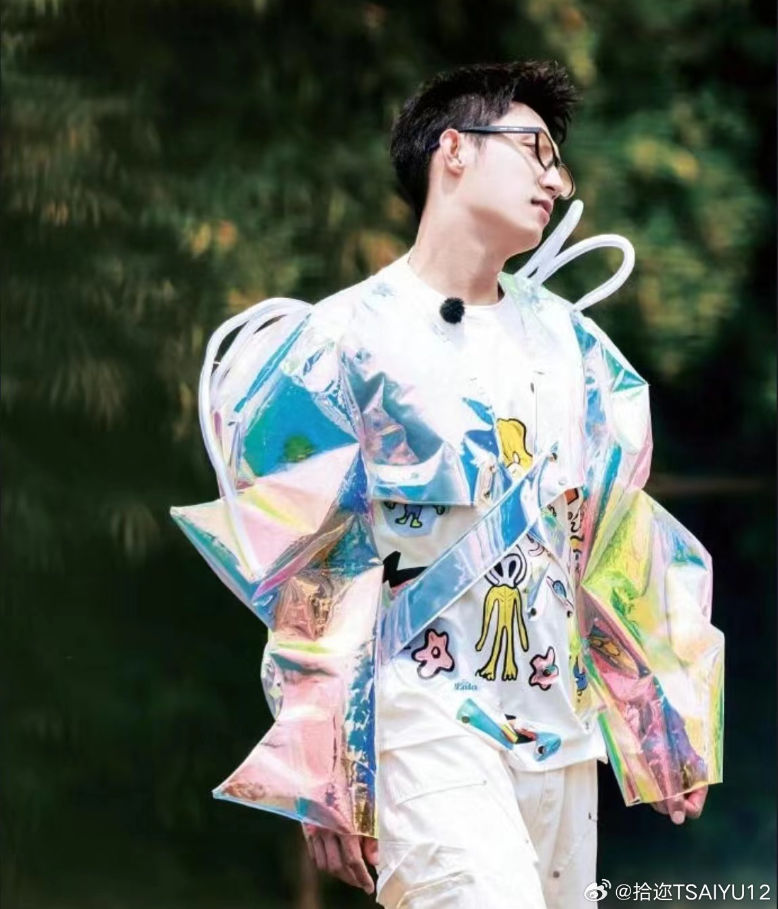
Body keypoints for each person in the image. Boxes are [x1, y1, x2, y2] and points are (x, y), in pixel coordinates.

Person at [171, 62, 721, 909]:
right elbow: (310, 571)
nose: (557, 180)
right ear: (454, 149)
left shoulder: (575, 350)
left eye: (560, 163)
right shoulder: (341, 341)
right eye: (536, 150)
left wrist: (663, 716)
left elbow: (618, 537)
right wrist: (327, 759)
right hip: (421, 721)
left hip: (560, 738)